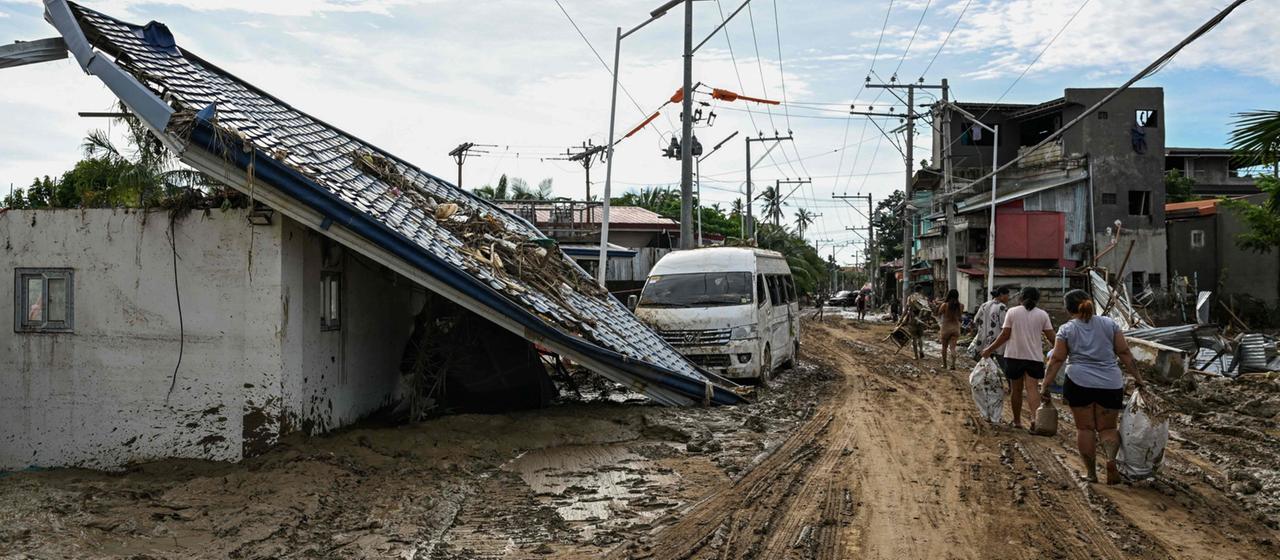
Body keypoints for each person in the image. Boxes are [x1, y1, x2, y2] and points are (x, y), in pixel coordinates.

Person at [1044, 289, 1145, 484]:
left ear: (1068, 309)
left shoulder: (1066, 329)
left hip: (1079, 382)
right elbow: (1124, 352)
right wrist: (1139, 379)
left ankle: (1091, 473)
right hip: (1111, 383)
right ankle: (1110, 461)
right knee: (1108, 428)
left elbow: (1056, 359)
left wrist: (1045, 385)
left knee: (1085, 429)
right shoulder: (1110, 324)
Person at [981, 287, 1054, 430]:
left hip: (1014, 356)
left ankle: (1017, 421)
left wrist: (989, 349)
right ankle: (1035, 420)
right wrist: (1061, 351)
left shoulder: (1012, 312)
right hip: (1034, 357)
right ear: (1037, 299)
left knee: (1016, 390)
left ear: (1021, 297)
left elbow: (1005, 335)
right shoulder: (1042, 314)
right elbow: (1052, 337)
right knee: (1032, 389)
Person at [970, 287, 1012, 364]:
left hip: (983, 340)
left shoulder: (984, 305)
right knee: (1003, 364)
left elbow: (976, 320)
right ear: (1002, 295)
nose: (1008, 297)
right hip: (997, 341)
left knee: (986, 364)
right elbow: (1005, 325)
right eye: (1007, 295)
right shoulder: (1002, 307)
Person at [936, 289, 964, 369]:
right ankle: (953, 365)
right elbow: (960, 317)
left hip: (946, 328)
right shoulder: (961, 306)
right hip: (955, 328)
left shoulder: (945, 305)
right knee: (953, 348)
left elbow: (938, 314)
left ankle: (944, 365)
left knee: (944, 347)